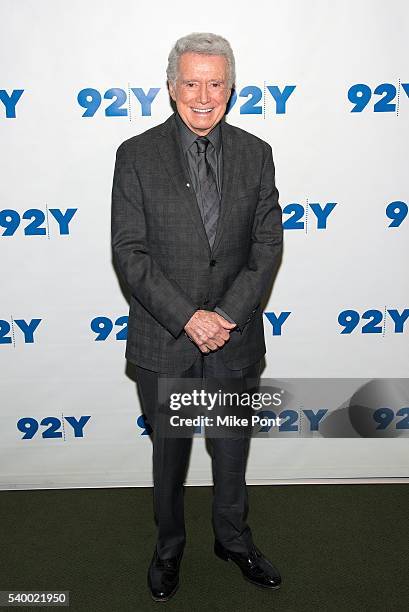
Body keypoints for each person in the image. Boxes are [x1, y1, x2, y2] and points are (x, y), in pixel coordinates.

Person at [111, 32, 283, 602]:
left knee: (231, 452)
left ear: (231, 89)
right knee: (170, 458)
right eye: (191, 82)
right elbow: (130, 253)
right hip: (166, 342)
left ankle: (233, 540)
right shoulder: (135, 155)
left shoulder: (257, 153)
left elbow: (266, 247)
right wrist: (189, 318)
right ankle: (168, 549)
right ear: (171, 87)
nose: (203, 95)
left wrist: (226, 316)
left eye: (215, 83)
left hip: (234, 340)